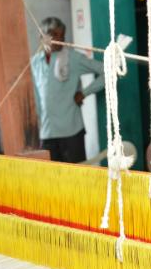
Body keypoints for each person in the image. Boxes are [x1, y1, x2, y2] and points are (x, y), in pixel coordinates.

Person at [31, 17, 103, 163]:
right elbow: (37, 96)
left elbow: (106, 70)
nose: (59, 39)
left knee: (76, 177)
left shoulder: (73, 58)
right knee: (52, 179)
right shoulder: (35, 61)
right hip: (47, 132)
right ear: (42, 36)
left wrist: (84, 92)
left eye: (61, 35)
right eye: (53, 34)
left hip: (71, 131)